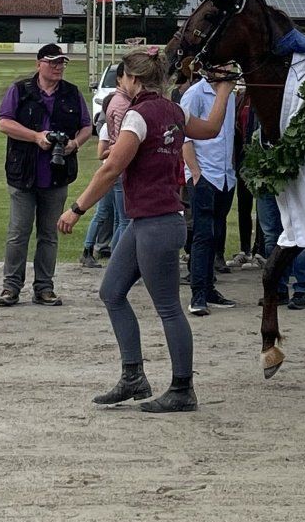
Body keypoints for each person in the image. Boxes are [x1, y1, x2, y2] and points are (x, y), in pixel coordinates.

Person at [57, 49, 237, 414]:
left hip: (155, 222)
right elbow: (213, 129)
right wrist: (224, 92)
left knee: (169, 307)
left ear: (133, 79)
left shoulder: (138, 115)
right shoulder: (174, 110)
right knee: (111, 292)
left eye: (122, 77)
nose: (120, 84)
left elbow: (110, 171)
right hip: (152, 221)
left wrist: (77, 209)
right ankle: (133, 377)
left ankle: (183, 387)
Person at [0, 43, 93, 308]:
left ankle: (44, 287)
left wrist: (74, 144)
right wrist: (36, 137)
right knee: (18, 232)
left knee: (49, 234)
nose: (58, 66)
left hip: (57, 175)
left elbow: (86, 126)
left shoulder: (71, 93)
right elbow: (4, 123)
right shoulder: (20, 90)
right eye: (53, 62)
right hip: (23, 174)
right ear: (39, 64)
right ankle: (10, 287)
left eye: (62, 62)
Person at [179, 67, 238, 316]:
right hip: (204, 174)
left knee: (216, 232)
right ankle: (198, 293)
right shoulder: (194, 94)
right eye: (227, 68)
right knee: (203, 234)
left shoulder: (230, 96)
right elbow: (185, 137)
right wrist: (195, 172)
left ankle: (209, 288)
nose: (232, 72)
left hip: (225, 175)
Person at [80, 86, 133, 270]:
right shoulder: (107, 129)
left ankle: (100, 250)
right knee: (117, 217)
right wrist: (117, 150)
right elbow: (101, 153)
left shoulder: (116, 127)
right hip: (113, 174)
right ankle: (110, 256)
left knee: (115, 217)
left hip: (113, 174)